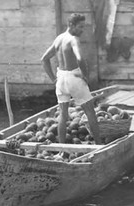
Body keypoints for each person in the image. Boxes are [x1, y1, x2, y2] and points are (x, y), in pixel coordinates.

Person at [41, 13, 102, 145]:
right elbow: (80, 58)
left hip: (61, 78)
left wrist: (53, 79)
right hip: (74, 77)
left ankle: (62, 148)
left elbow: (44, 59)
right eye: (80, 27)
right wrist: (85, 75)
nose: (82, 30)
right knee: (90, 111)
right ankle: (99, 144)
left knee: (63, 114)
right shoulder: (73, 39)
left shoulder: (59, 39)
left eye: (83, 27)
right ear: (71, 25)